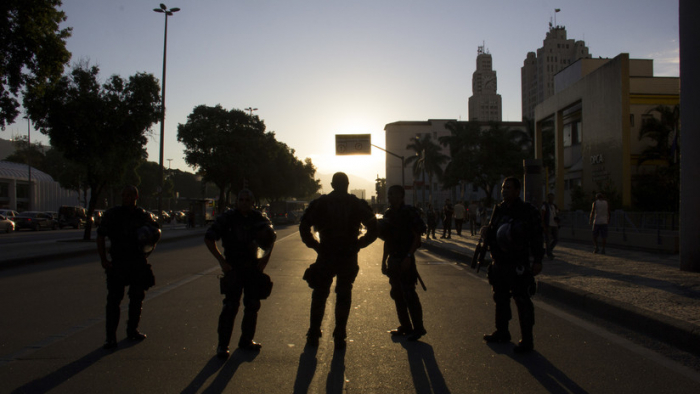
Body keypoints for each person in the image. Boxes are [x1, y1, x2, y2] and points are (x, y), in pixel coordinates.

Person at [299, 172, 378, 348]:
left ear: (332, 184)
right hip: (347, 254)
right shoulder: (356, 203)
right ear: (347, 184)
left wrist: (315, 245)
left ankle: (314, 331)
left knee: (320, 293)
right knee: (343, 294)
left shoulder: (321, 203)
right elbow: (374, 228)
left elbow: (304, 227)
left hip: (327, 253)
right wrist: (359, 244)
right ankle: (340, 332)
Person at [205, 189, 276, 358]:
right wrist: (222, 261)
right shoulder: (227, 218)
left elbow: (271, 237)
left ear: (252, 202)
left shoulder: (259, 218)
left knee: (252, 306)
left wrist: (264, 260)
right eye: (241, 199)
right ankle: (223, 345)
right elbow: (209, 238)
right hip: (233, 267)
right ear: (237, 201)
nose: (244, 202)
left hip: (252, 267)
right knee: (230, 307)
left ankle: (246, 340)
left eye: (247, 200)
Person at [482, 177, 544, 353]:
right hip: (499, 262)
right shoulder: (499, 210)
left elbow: (537, 236)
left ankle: (527, 340)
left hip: (518, 263)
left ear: (518, 190)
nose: (504, 190)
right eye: (503, 188)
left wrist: (538, 260)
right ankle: (502, 331)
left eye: (508, 188)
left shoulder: (527, 211)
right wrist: (487, 231)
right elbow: (493, 232)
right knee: (500, 298)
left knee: (522, 300)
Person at [97, 185, 160, 350]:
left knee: (137, 298)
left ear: (136, 197)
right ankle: (110, 338)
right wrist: (104, 259)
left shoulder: (143, 215)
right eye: (123, 195)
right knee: (113, 301)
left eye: (129, 195)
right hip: (118, 261)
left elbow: (156, 232)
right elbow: (101, 236)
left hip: (137, 261)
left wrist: (148, 247)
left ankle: (132, 330)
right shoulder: (112, 214)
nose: (126, 198)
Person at [379, 185, 427, 341]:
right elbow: (386, 240)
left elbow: (417, 237)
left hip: (405, 259)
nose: (390, 197)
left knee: (409, 294)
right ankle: (405, 326)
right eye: (389, 194)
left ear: (401, 196)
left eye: (392, 194)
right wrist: (384, 260)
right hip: (393, 259)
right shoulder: (388, 214)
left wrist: (408, 256)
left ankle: (418, 328)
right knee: (397, 294)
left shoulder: (409, 212)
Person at [540, 193, 560, 260]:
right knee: (548, 240)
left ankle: (549, 250)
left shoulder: (554, 206)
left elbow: (557, 214)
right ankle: (549, 253)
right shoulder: (545, 206)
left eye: (552, 198)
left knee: (556, 238)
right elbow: (542, 216)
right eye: (550, 198)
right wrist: (543, 225)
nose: (551, 199)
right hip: (548, 224)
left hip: (554, 224)